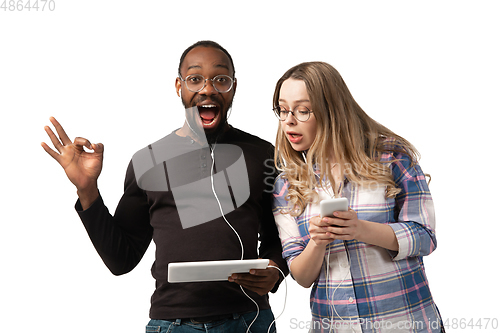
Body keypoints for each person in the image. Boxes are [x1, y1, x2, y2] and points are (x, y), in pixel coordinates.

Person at [41, 40, 288, 333]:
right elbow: (121, 260)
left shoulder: (263, 154)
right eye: (195, 79)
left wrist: (275, 268)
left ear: (233, 87)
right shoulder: (148, 161)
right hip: (174, 324)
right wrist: (87, 190)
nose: (208, 89)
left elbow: (282, 234)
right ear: (179, 86)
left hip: (250, 320)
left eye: (220, 80)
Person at [271, 62, 443, 333]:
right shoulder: (287, 184)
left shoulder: (391, 158)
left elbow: (424, 236)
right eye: (282, 110)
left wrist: (360, 229)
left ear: (332, 111)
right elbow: (302, 276)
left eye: (302, 111)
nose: (288, 121)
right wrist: (317, 243)